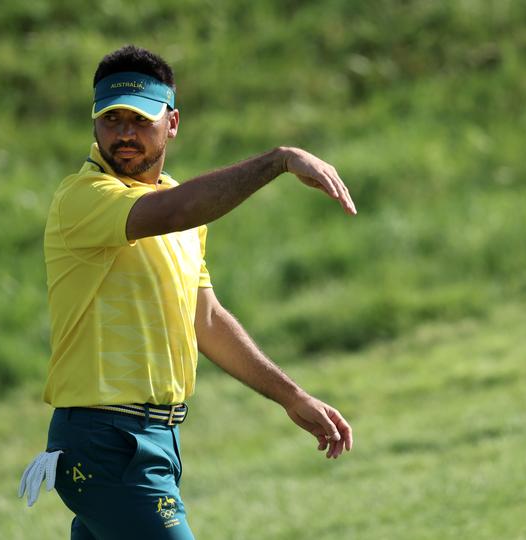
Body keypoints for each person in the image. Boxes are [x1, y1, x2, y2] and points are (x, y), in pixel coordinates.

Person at [18, 45, 356, 539]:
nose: (125, 133)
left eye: (140, 118)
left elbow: (208, 320)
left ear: (171, 122)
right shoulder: (83, 198)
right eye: (111, 120)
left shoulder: (178, 208)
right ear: (94, 125)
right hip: (106, 444)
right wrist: (280, 160)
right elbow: (176, 211)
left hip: (158, 439)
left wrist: (291, 396)